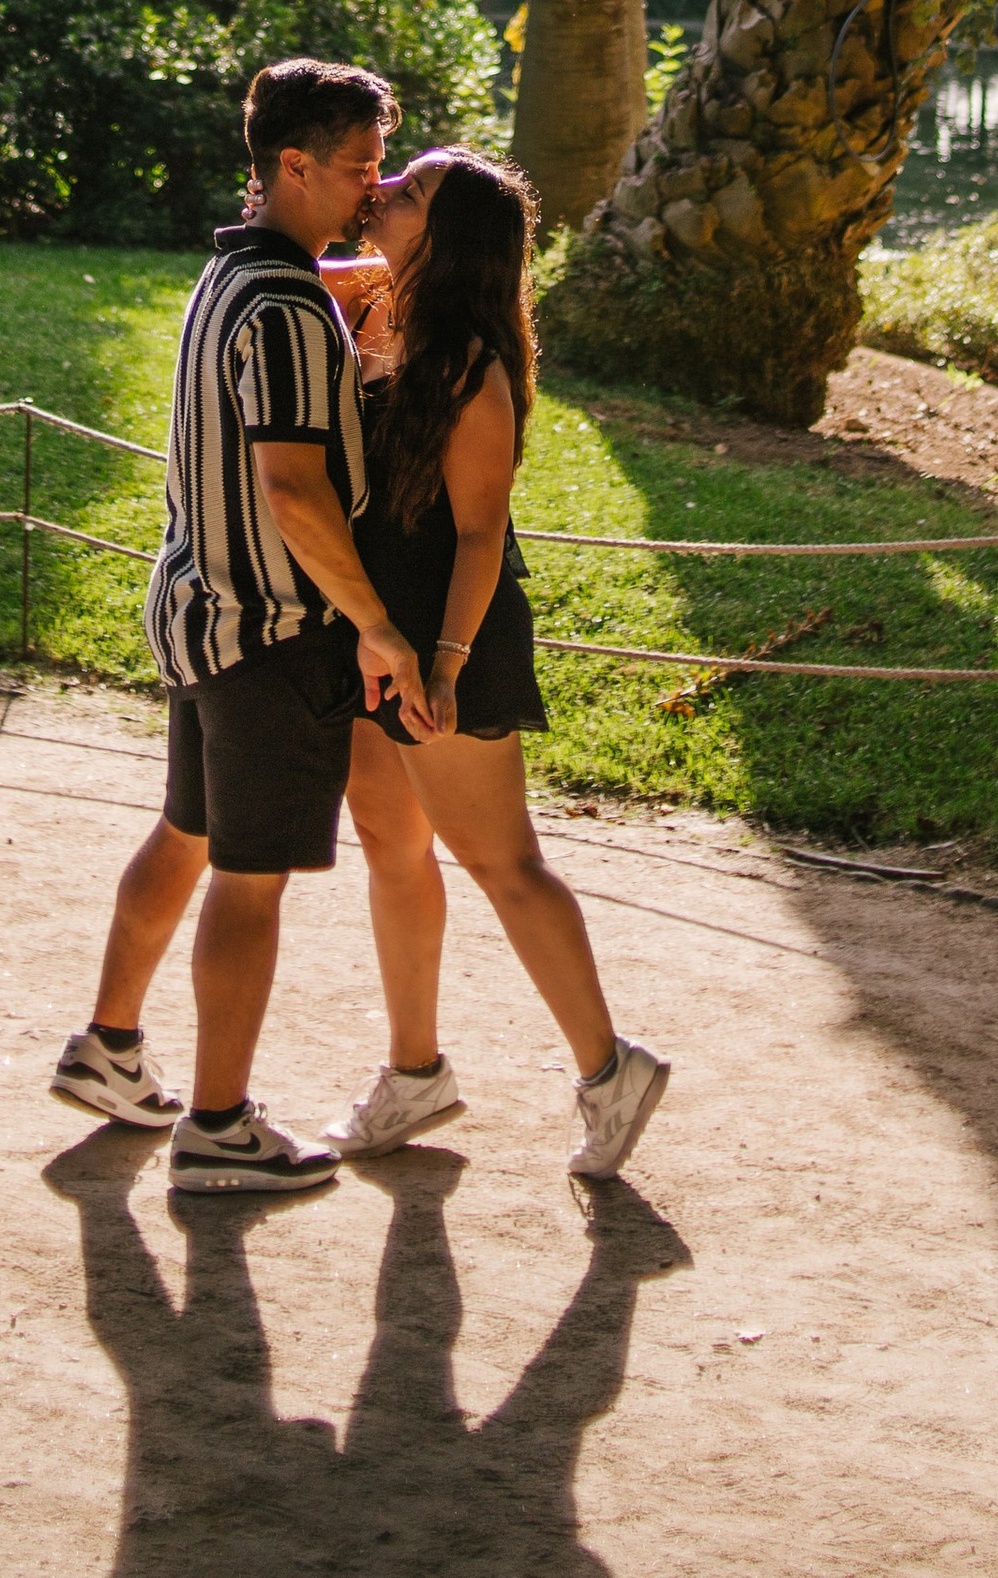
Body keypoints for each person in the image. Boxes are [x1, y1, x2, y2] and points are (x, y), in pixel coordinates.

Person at [51, 58, 438, 1199]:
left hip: (201, 610)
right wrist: (374, 625)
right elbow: (294, 491)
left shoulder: (237, 275)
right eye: (359, 169)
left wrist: (377, 279)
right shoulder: (282, 309)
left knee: (187, 834)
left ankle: (108, 1046)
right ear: (293, 165)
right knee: (250, 874)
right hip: (275, 629)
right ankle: (219, 1124)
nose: (372, 190)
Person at [324, 147, 670, 1183]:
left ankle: (611, 1071)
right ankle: (414, 1071)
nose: (381, 194)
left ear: (449, 236)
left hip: (443, 640)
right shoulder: (385, 309)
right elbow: (289, 261)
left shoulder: (469, 366)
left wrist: (442, 665)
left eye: (408, 191)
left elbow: (480, 537)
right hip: (375, 631)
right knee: (390, 846)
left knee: (500, 860)